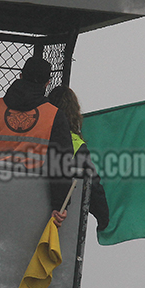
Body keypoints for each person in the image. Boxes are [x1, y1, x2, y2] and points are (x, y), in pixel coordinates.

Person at [0, 56, 73, 228]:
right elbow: (61, 163)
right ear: (47, 83)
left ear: (21, 76)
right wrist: (59, 205)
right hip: (33, 198)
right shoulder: (54, 116)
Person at [48, 85, 111, 231]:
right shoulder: (75, 143)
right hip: (59, 218)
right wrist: (103, 219)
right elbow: (92, 185)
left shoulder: (38, 133)